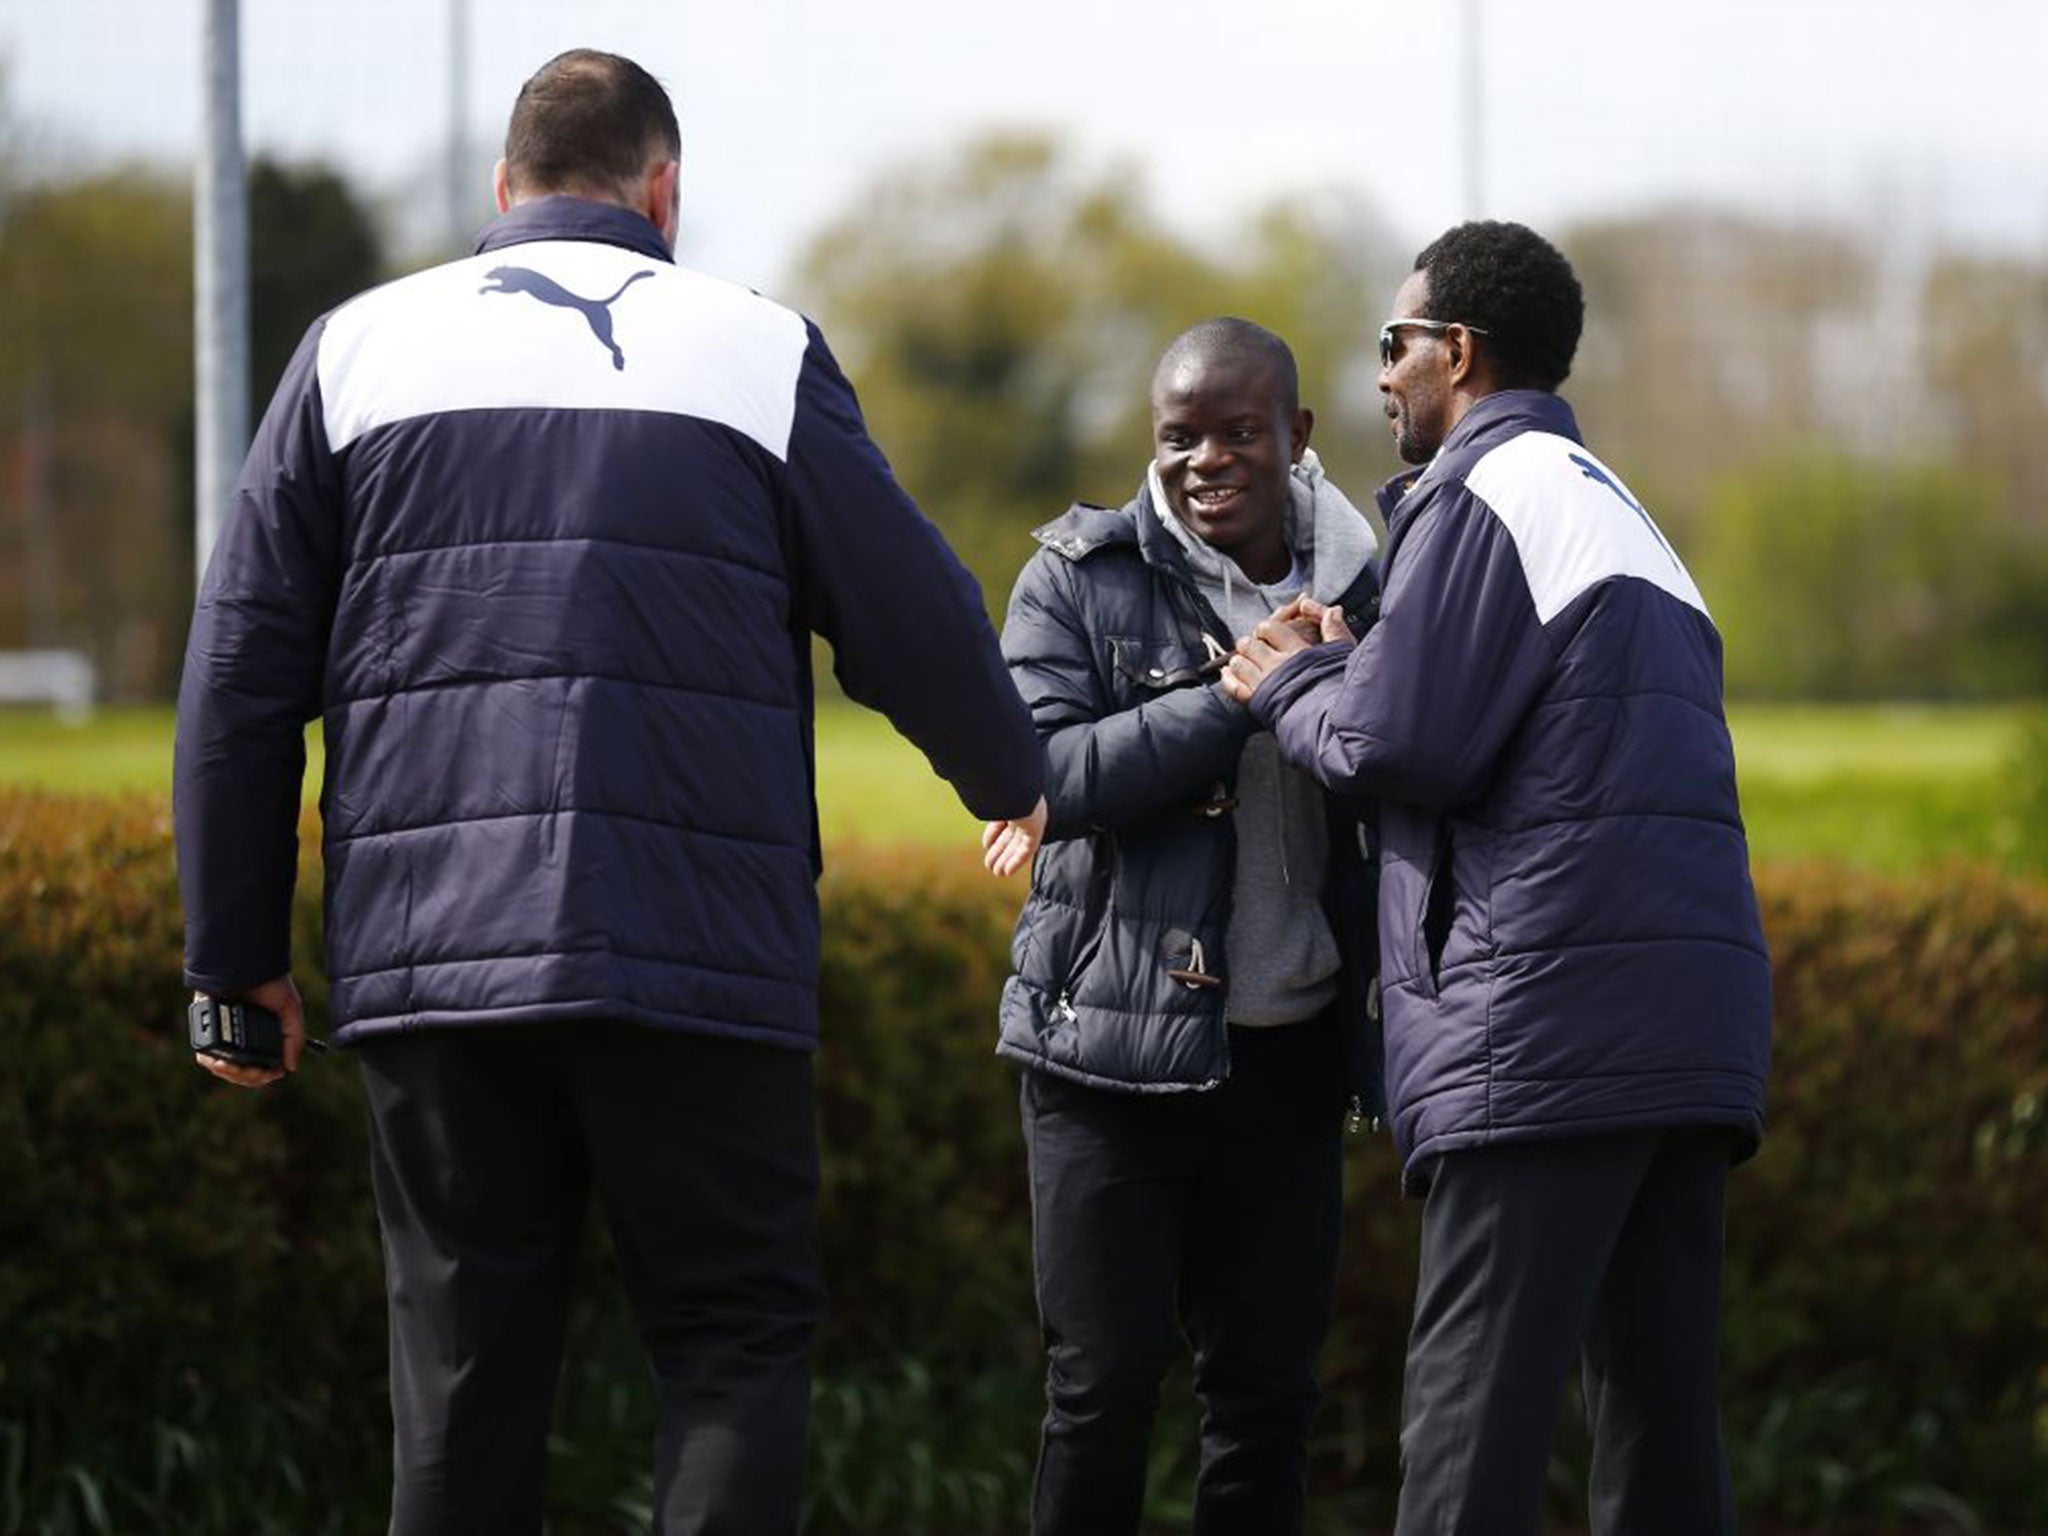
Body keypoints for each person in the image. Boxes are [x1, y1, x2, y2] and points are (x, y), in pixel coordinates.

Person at [173, 48, 1044, 1536]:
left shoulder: (355, 348)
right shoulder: (756, 349)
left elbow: (239, 679)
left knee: (460, 1381)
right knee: (730, 1348)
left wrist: (231, 963)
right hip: (698, 958)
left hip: (436, 962)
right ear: (664, 191)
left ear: (502, 192)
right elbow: (915, 616)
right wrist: (1017, 775)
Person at [1221, 221, 1772, 1534]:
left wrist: (1285, 678)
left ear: (1455, 352)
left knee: (1470, 1436)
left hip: (1540, 1042)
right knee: (1661, 1443)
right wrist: (1372, 652)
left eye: (1392, 347)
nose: (1380, 378)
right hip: (1685, 1043)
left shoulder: (1481, 495)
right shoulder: (1613, 508)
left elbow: (1399, 742)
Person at [980, 317, 1383, 1535]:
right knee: (1098, 1396)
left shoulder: (1378, 582)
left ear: (1297, 436)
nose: (1204, 459)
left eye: (1236, 432)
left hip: (1288, 1058)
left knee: (1263, 1405)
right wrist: (1235, 696)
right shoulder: (1074, 574)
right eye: (1178, 438)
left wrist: (1340, 681)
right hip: (1103, 1060)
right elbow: (1043, 770)